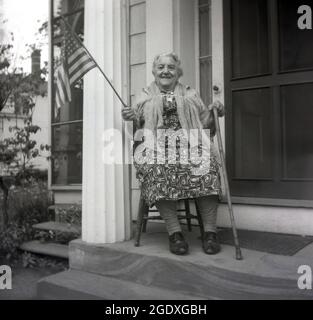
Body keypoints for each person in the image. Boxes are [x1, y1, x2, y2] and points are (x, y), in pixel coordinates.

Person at [122, 52, 225, 256]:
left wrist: (215, 110)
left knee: (208, 168)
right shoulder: (145, 94)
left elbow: (205, 125)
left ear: (178, 72)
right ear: (154, 71)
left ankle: (210, 233)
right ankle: (174, 233)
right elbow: (139, 130)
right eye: (161, 67)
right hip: (156, 148)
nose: (165, 71)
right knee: (158, 170)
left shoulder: (189, 93)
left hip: (190, 147)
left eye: (170, 67)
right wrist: (134, 117)